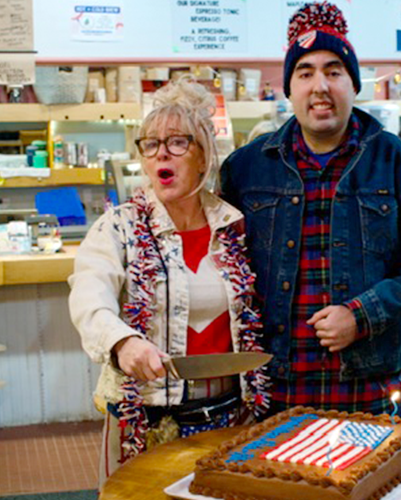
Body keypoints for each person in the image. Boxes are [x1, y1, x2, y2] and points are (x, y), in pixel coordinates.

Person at [219, 2, 401, 418]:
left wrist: (362, 315)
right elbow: (221, 270)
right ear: (289, 88)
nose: (320, 86)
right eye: (305, 72)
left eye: (334, 71)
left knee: (377, 482)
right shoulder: (245, 169)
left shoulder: (398, 161)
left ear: (353, 83)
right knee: (274, 483)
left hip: (373, 386)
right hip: (275, 388)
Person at [68, 77, 269, 487]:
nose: (163, 153)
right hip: (144, 420)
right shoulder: (119, 227)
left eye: (178, 142)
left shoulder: (235, 227)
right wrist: (122, 341)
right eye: (151, 143)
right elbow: (89, 294)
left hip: (228, 415)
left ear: (203, 156)